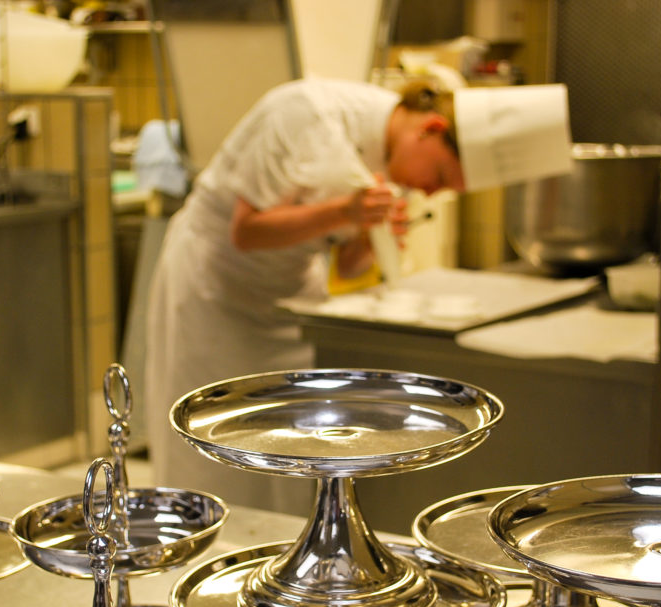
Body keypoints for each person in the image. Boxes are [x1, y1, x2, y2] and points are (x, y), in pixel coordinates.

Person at [144, 77, 571, 517]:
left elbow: (346, 265)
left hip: (292, 300)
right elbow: (246, 232)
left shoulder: (395, 160)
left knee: (290, 451)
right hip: (214, 290)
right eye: (439, 176)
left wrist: (370, 235)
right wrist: (345, 212)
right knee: (216, 447)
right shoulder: (304, 113)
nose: (429, 191)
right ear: (432, 129)